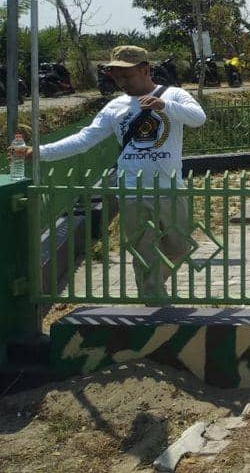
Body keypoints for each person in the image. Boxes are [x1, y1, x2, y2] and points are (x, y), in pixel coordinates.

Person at [28, 45, 206, 299]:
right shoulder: (115, 107)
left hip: (169, 187)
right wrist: (41, 152)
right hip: (131, 189)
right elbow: (84, 139)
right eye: (116, 76)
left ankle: (155, 282)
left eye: (127, 76)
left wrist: (163, 105)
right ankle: (153, 297)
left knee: (179, 246)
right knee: (143, 250)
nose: (121, 82)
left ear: (145, 70)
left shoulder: (175, 95)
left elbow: (198, 118)